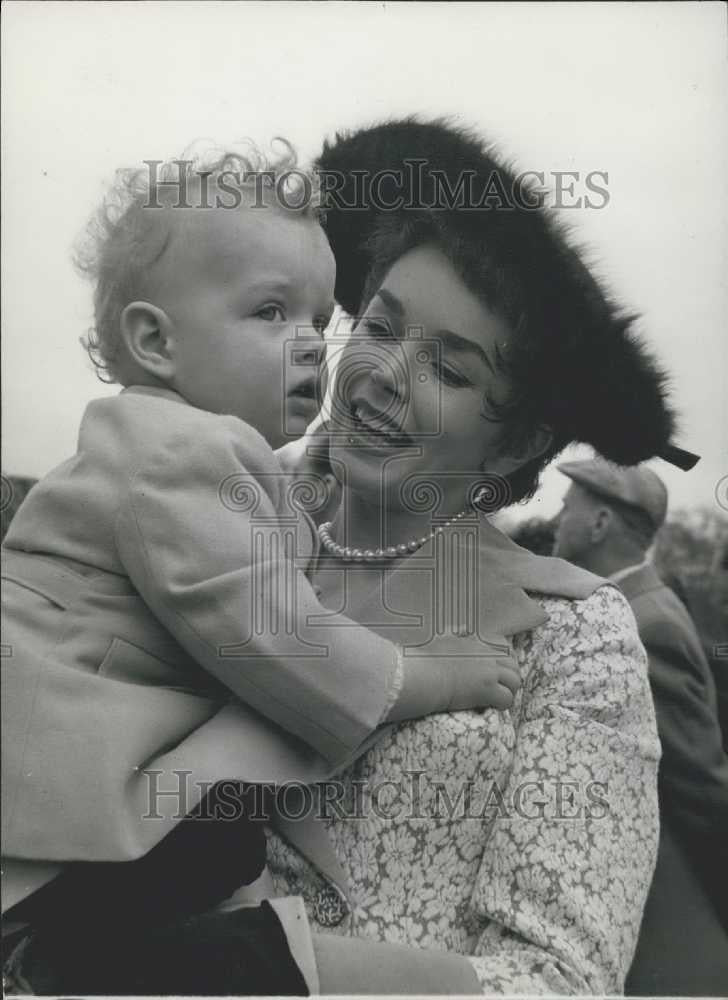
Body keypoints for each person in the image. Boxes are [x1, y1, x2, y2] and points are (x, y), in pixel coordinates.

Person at [1, 145, 519, 994]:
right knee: (204, 872)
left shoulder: (193, 454)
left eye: (320, 321)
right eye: (271, 313)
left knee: (212, 862)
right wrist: (434, 676)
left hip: (65, 796)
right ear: (153, 340)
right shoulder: (180, 455)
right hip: (65, 819)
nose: (312, 347)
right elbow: (282, 637)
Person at [246, 117, 700, 994]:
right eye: (380, 326)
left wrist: (270, 972)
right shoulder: (224, 516)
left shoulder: (576, 638)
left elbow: (560, 980)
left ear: (510, 446)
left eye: (451, 373)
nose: (383, 375)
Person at [553, 459, 728, 994]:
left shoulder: (643, 624)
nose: (559, 518)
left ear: (600, 523)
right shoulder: (634, 607)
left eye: (568, 507)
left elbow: (699, 788)